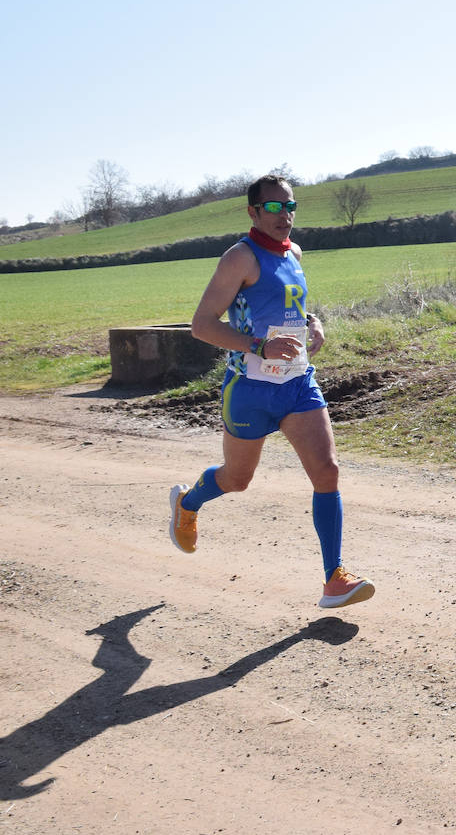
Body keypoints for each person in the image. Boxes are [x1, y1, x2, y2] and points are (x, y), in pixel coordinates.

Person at [168, 174, 374, 609]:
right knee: (236, 480)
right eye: (276, 207)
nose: (286, 215)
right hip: (249, 390)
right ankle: (188, 501)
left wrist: (313, 321)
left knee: (328, 472)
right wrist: (259, 346)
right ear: (254, 212)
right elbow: (202, 326)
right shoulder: (238, 259)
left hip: (297, 383)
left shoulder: (295, 252)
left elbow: (288, 305)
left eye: (291, 206)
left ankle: (334, 578)